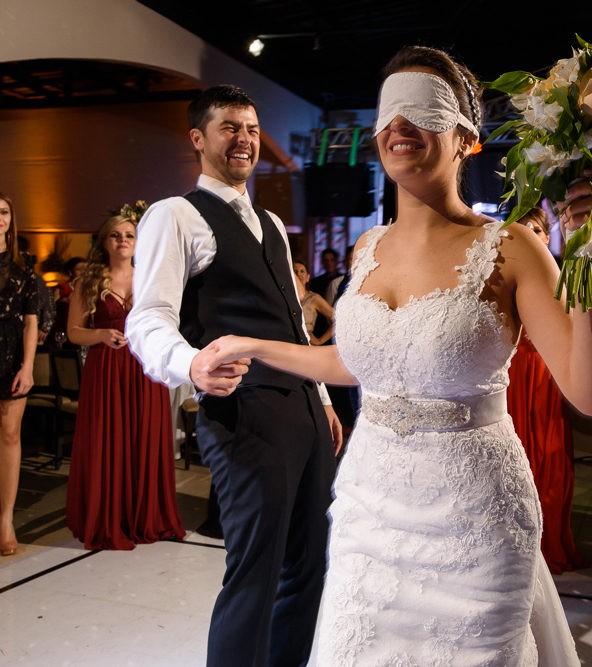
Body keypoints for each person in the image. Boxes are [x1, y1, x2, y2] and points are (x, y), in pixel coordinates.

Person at [198, 46, 592, 666]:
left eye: (422, 110)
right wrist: (253, 346)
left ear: (466, 138)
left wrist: (585, 255)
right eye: (389, 111)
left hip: (474, 517)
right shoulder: (368, 247)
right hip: (370, 507)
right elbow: (360, 366)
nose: (398, 125)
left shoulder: (512, 247)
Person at [126, 85, 342, 667]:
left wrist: (319, 395)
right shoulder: (174, 215)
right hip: (243, 412)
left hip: (303, 410)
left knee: (310, 564)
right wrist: (189, 363)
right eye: (229, 127)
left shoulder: (271, 221)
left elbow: (293, 323)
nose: (244, 138)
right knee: (255, 570)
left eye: (250, 127)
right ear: (198, 139)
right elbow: (146, 317)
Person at [64, 210, 186, 550]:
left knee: (143, 439)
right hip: (106, 372)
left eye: (128, 235)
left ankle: (144, 516)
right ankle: (109, 517)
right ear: (105, 242)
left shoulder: (150, 278)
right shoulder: (88, 281)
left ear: (137, 242)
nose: (122, 241)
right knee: (108, 440)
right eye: (115, 235)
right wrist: (101, 334)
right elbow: (73, 332)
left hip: (145, 371)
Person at [507, 207, 588, 574]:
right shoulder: (502, 276)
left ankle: (547, 541)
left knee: (549, 461)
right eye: (523, 229)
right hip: (510, 376)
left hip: (545, 374)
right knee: (513, 460)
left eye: (538, 229)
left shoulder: (562, 277)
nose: (532, 235)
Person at [0, 192, 38, 557]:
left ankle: (6, 520)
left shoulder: (24, 265)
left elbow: (31, 321)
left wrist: (28, 366)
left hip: (10, 357)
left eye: (4, 212)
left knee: (10, 436)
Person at [293, 261, 335, 345]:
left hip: (305, 346)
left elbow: (340, 319)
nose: (298, 274)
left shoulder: (313, 298)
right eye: (295, 271)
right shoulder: (285, 297)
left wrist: (320, 341)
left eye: (302, 271)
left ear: (308, 277)